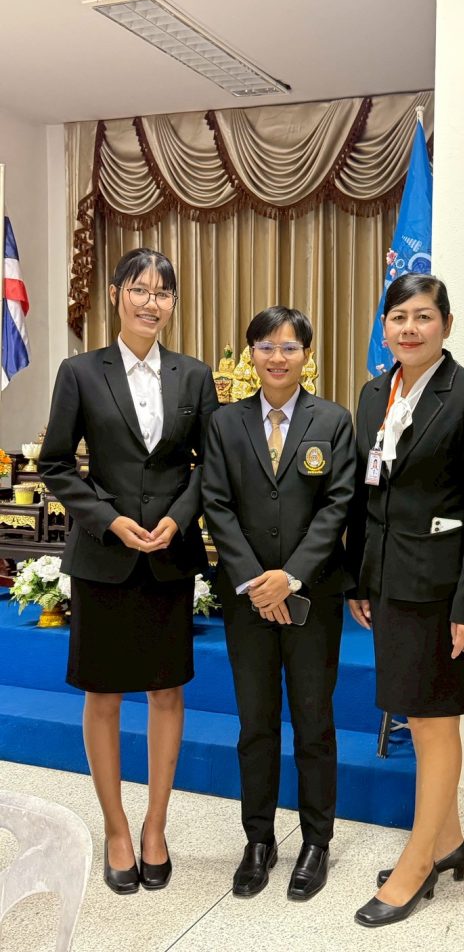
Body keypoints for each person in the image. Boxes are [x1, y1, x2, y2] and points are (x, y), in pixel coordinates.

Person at [39, 247, 219, 894]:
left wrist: (179, 517)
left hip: (168, 558)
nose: (151, 302)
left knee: (167, 692)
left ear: (173, 304)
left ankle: (155, 826)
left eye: (162, 292)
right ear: (116, 294)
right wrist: (109, 519)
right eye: (139, 289)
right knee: (104, 695)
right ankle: (116, 828)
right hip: (103, 558)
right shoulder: (80, 372)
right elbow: (56, 463)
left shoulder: (193, 376)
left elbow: (210, 464)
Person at [347, 273, 464, 928]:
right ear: (384, 327)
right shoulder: (373, 394)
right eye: (398, 317)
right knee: (417, 715)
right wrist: (360, 578)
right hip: (389, 582)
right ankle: (449, 842)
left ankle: (416, 864)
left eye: (423, 316)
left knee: (436, 721)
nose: (409, 328)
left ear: (446, 324)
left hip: (443, 591)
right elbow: (366, 497)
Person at [202, 307, 355, 902]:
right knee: (256, 724)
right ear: (251, 355)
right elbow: (216, 503)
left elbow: (338, 505)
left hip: (313, 596)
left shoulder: (332, 420)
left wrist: (289, 577)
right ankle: (258, 840)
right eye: (265, 346)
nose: (277, 357)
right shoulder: (225, 423)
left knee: (314, 721)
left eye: (289, 347)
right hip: (247, 602)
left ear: (306, 356)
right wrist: (254, 581)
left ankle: (316, 841)